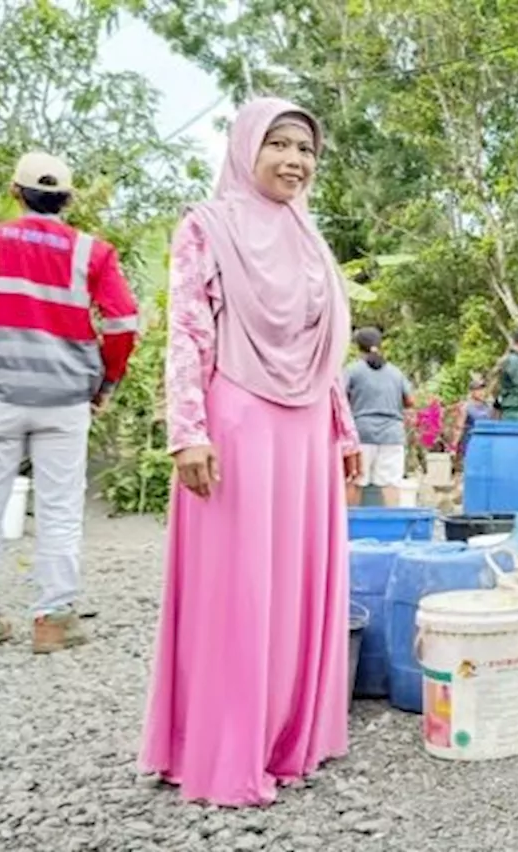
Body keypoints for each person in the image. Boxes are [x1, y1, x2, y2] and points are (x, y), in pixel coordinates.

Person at [139, 97, 362, 806]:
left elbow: (321, 349)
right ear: (246, 148)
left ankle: (289, 739)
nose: (295, 160)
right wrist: (188, 432)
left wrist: (345, 428)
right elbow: (186, 330)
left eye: (307, 150)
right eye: (280, 144)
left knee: (295, 584)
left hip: (306, 431)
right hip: (236, 419)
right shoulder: (207, 226)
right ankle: (223, 751)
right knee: (239, 590)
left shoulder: (308, 238)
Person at [0, 151, 138, 653]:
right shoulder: (92, 252)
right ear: (68, 200)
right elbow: (122, 322)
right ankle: (52, 619)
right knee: (60, 508)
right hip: (66, 399)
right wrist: (107, 383)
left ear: (15, 192)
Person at [344, 327, 413, 507]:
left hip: (361, 432)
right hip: (392, 434)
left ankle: (350, 526)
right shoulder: (396, 372)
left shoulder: (352, 370)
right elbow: (410, 400)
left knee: (355, 479)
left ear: (358, 347)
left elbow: (339, 398)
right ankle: (392, 528)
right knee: (390, 483)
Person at [454, 377, 494, 461]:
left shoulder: (489, 407)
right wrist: (453, 446)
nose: (481, 393)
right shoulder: (466, 407)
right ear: (472, 392)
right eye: (478, 390)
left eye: (483, 390)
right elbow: (459, 428)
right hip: (471, 444)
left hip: (487, 444)